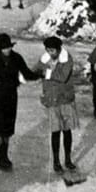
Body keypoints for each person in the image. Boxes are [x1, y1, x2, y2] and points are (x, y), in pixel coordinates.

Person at [0, 33, 40, 170]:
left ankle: (5, 157)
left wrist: (40, 74)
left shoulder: (17, 58)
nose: (7, 50)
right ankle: (2, 158)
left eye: (9, 47)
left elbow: (27, 73)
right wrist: (14, 81)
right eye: (4, 48)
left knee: (7, 131)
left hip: (10, 98)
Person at [35, 36, 78, 174]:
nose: (50, 53)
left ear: (59, 49)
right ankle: (56, 161)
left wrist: (46, 73)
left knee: (67, 130)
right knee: (55, 132)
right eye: (48, 50)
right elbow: (36, 70)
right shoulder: (45, 59)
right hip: (52, 99)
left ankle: (68, 159)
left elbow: (62, 76)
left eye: (52, 50)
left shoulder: (67, 59)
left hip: (65, 99)